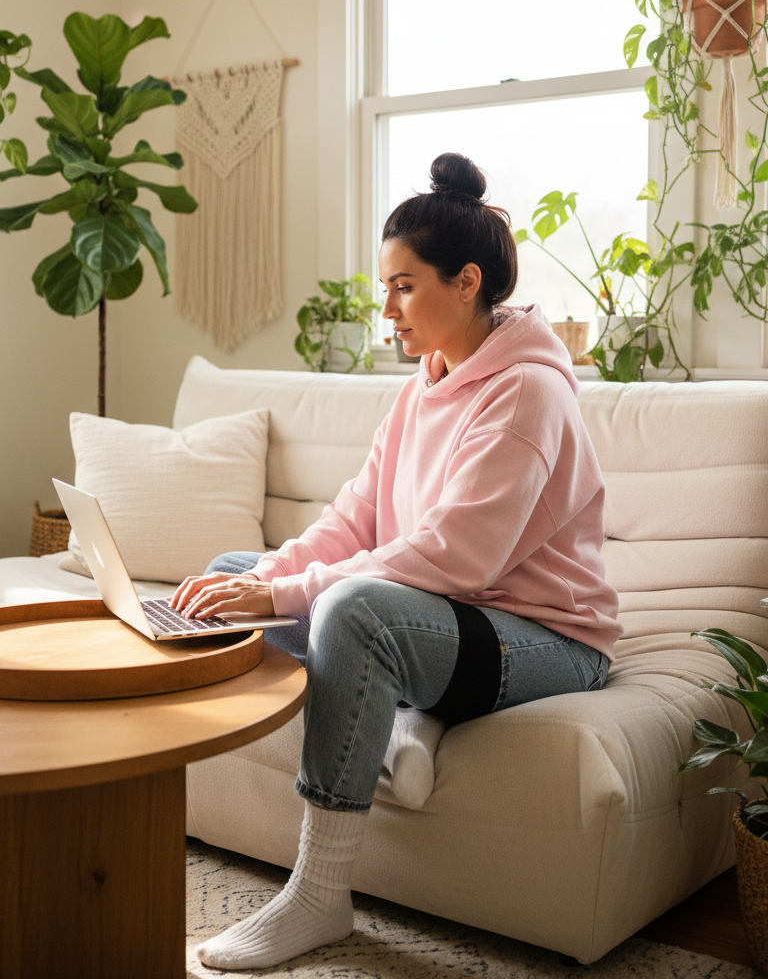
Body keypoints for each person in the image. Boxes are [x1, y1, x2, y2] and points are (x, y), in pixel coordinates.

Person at [172, 152, 623, 972]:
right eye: (386, 287)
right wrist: (264, 580)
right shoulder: (425, 386)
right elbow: (356, 518)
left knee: (351, 610)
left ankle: (318, 894)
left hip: (549, 641)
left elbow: (455, 553)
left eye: (404, 287)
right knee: (228, 573)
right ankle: (413, 719)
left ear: (467, 281)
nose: (388, 308)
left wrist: (295, 592)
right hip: (456, 623)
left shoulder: (527, 393)